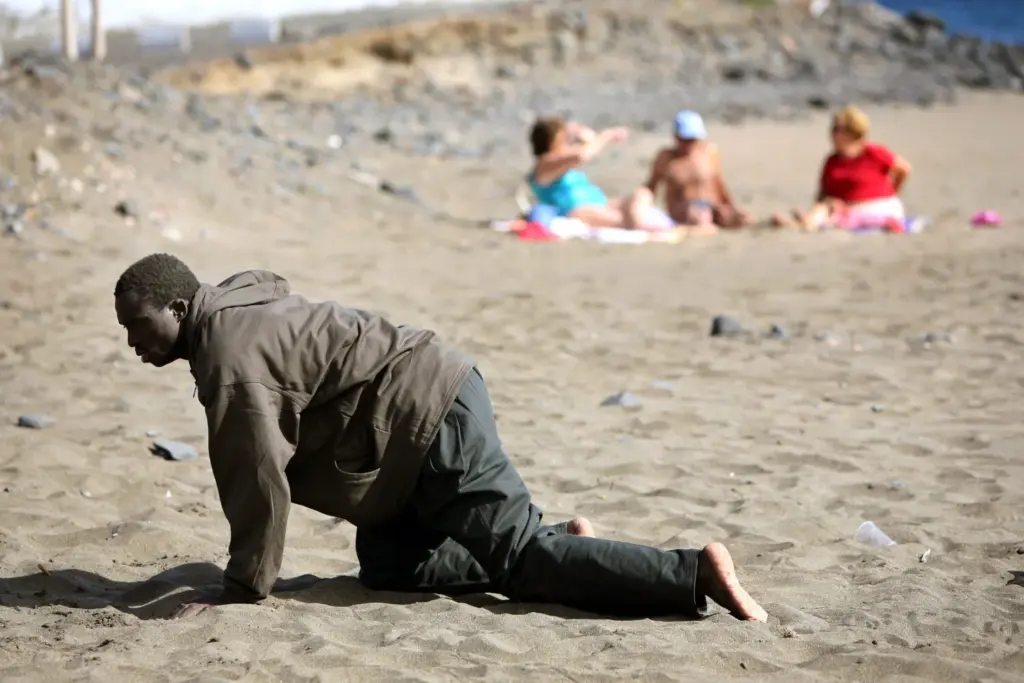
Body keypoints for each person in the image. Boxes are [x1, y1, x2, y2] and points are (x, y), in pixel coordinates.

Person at [113, 253, 768, 622]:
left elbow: (256, 479)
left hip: (427, 415)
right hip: (401, 441)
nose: (134, 344)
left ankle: (693, 571)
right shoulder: (230, 304)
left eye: (140, 326)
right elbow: (274, 284)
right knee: (393, 566)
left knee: (521, 563)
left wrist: (242, 589)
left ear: (178, 308)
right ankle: (566, 546)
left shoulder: (228, 357)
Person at [772, 105, 912, 231]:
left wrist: (893, 191)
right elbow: (823, 192)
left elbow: (904, 169)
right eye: (834, 130)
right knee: (827, 208)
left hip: (878, 207)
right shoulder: (833, 160)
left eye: (838, 131)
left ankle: (799, 224)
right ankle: (808, 219)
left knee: (824, 209)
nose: (833, 135)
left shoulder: (872, 152)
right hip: (854, 210)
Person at [528, 117, 676, 232]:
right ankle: (643, 226)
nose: (567, 143)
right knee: (622, 219)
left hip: (599, 203)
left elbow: (587, 143)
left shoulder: (562, 162)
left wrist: (578, 131)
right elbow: (583, 154)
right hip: (577, 210)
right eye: (563, 139)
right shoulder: (545, 164)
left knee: (642, 194)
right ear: (552, 142)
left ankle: (642, 223)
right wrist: (607, 135)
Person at [645, 110, 752, 233]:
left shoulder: (709, 152)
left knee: (743, 218)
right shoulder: (667, 158)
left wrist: (730, 207)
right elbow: (651, 187)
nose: (688, 145)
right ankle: (696, 228)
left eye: (692, 140)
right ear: (676, 137)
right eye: (684, 140)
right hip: (684, 208)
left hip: (711, 205)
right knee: (698, 216)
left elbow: (718, 183)